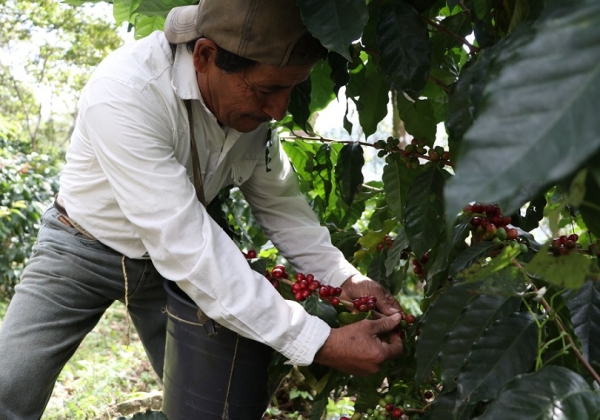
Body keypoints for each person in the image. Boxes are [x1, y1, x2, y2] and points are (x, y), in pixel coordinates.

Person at [0, 0, 404, 418]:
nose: (279, 110)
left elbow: (283, 209)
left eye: (292, 88)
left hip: (170, 269)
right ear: (205, 55)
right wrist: (319, 343)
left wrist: (342, 277)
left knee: (217, 406)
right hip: (82, 247)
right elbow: (186, 245)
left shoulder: (249, 113)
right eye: (267, 90)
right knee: (8, 389)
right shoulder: (126, 93)